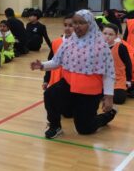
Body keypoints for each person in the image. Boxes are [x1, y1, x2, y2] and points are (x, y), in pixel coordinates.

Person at [31, 10, 117, 139]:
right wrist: (43, 65)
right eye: (75, 23)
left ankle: (108, 115)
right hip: (69, 84)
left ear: (90, 24)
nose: (77, 26)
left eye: (81, 23)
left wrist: (109, 97)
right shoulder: (70, 42)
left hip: (89, 91)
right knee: (50, 94)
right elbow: (56, 61)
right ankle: (55, 126)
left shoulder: (101, 46)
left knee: (84, 129)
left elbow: (109, 73)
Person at [43, 13, 74, 90]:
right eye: (65, 25)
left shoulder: (82, 45)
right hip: (55, 82)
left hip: (71, 83)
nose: (67, 28)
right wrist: (46, 80)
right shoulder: (56, 42)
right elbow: (50, 61)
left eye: (71, 26)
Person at [102, 24, 132, 104]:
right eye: (105, 33)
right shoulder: (99, 47)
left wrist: (128, 80)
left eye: (111, 34)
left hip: (118, 78)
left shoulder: (121, 47)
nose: (107, 36)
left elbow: (128, 64)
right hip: (103, 78)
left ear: (116, 36)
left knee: (119, 99)